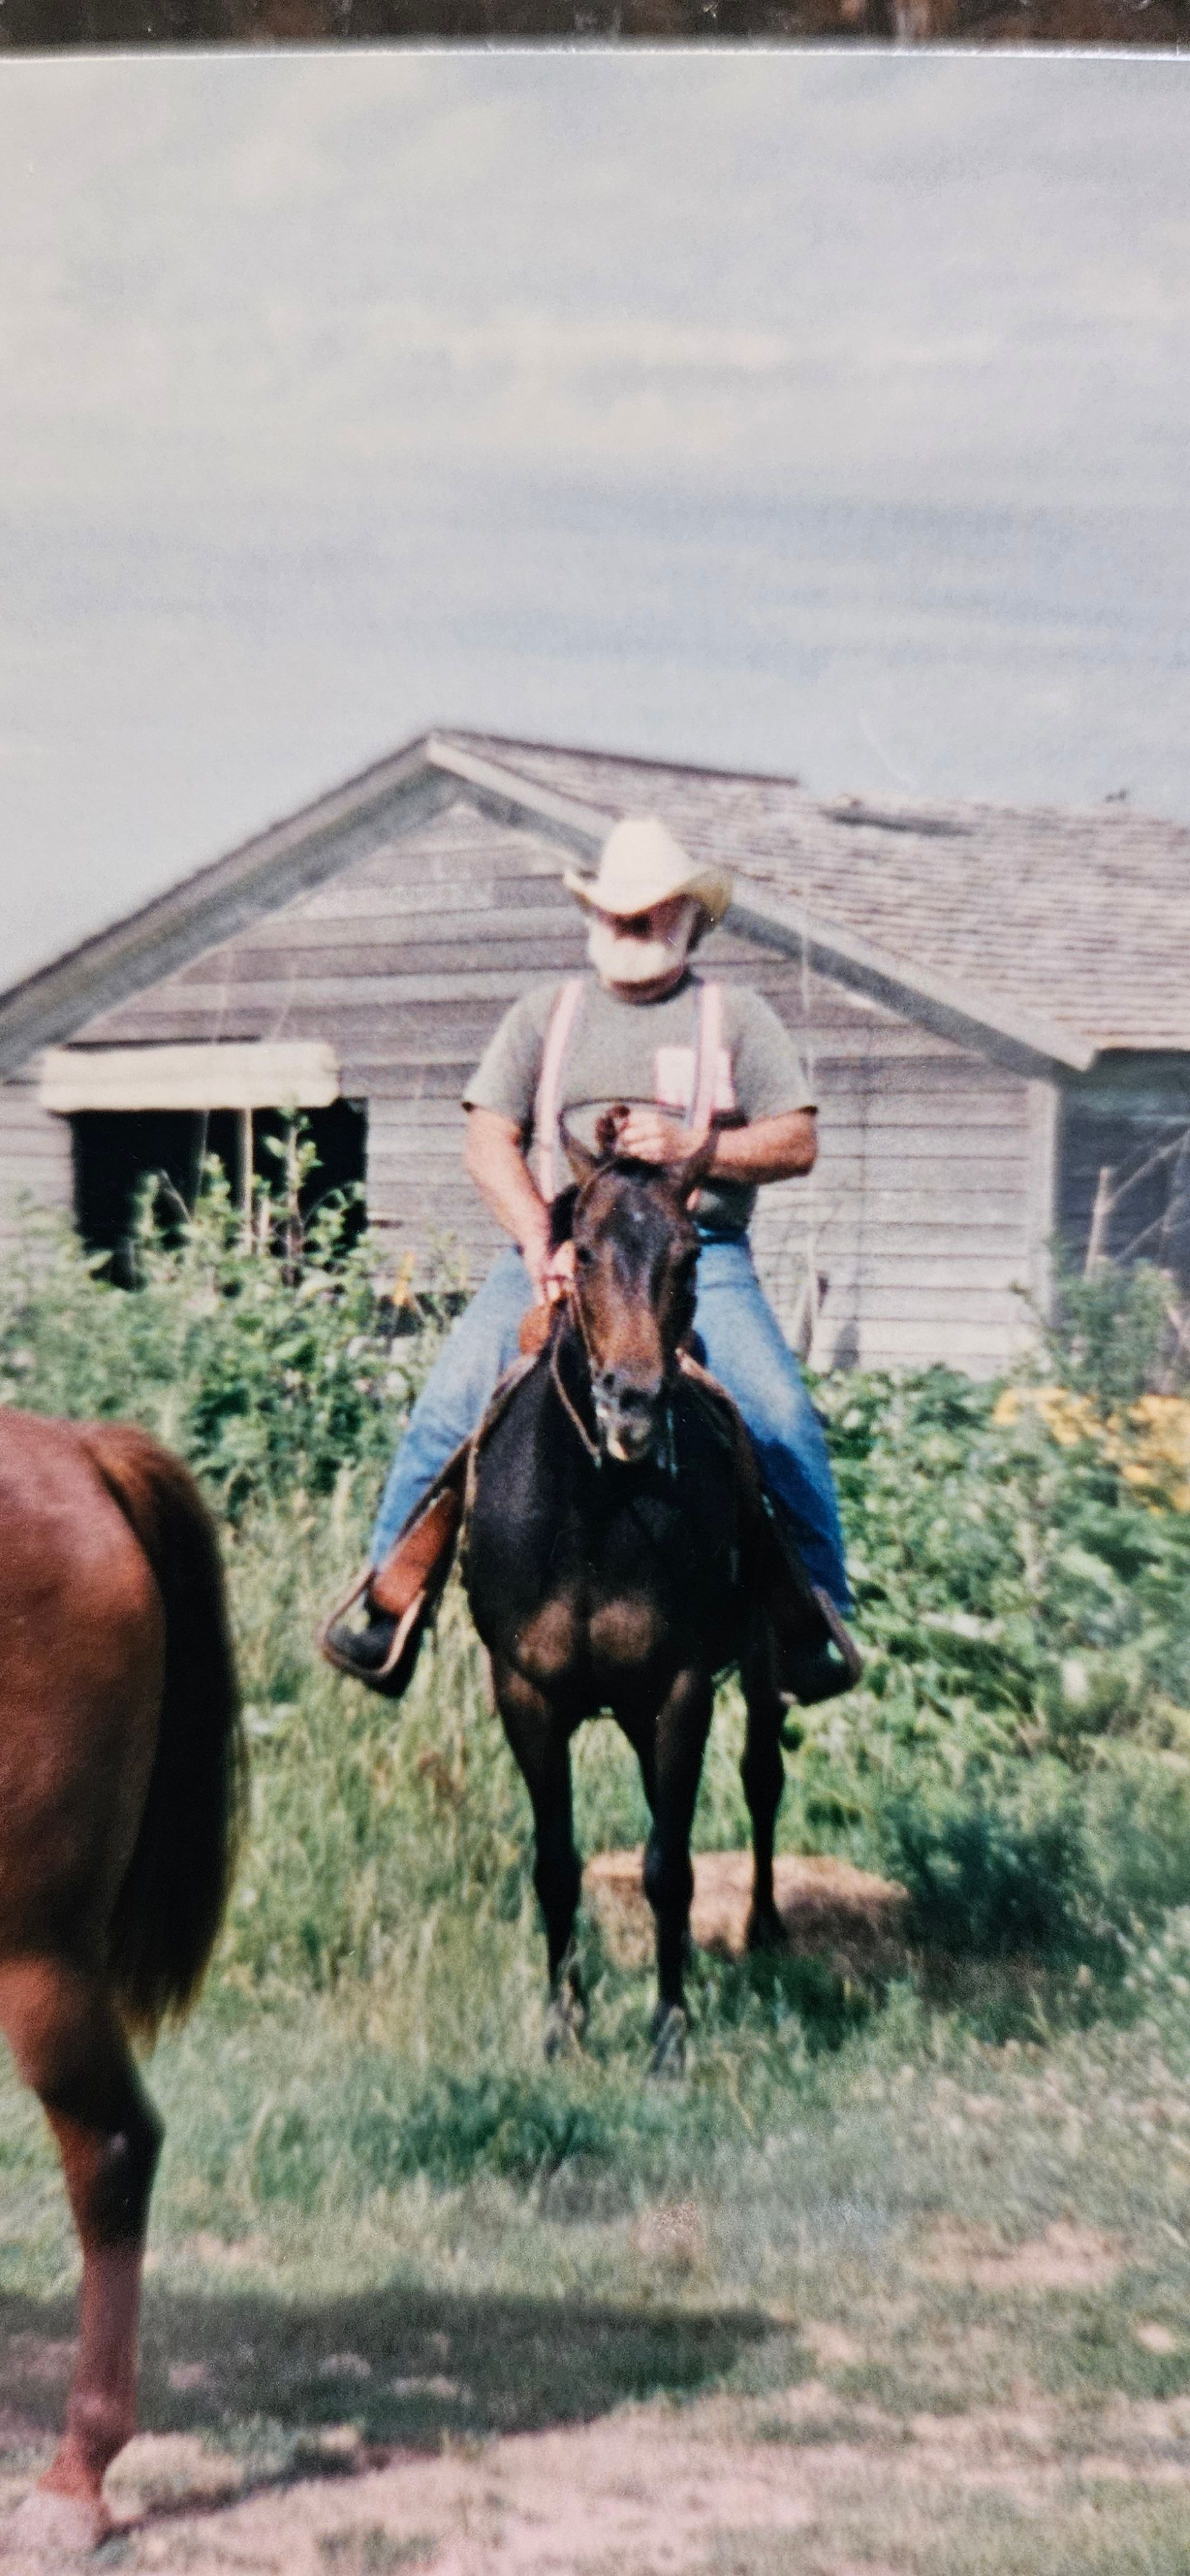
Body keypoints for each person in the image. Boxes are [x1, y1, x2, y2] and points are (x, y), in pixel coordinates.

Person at [325, 813, 858, 1697]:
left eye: (650, 914)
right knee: (452, 1405)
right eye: (616, 914)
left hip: (700, 1260)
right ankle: (391, 1606)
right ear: (593, 920)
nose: (630, 929)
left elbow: (797, 1141)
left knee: (776, 1419)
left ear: (690, 919)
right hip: (559, 1256)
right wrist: (541, 1238)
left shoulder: (735, 1017)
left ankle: (812, 1622)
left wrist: (699, 1146)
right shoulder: (547, 1017)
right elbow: (487, 1139)